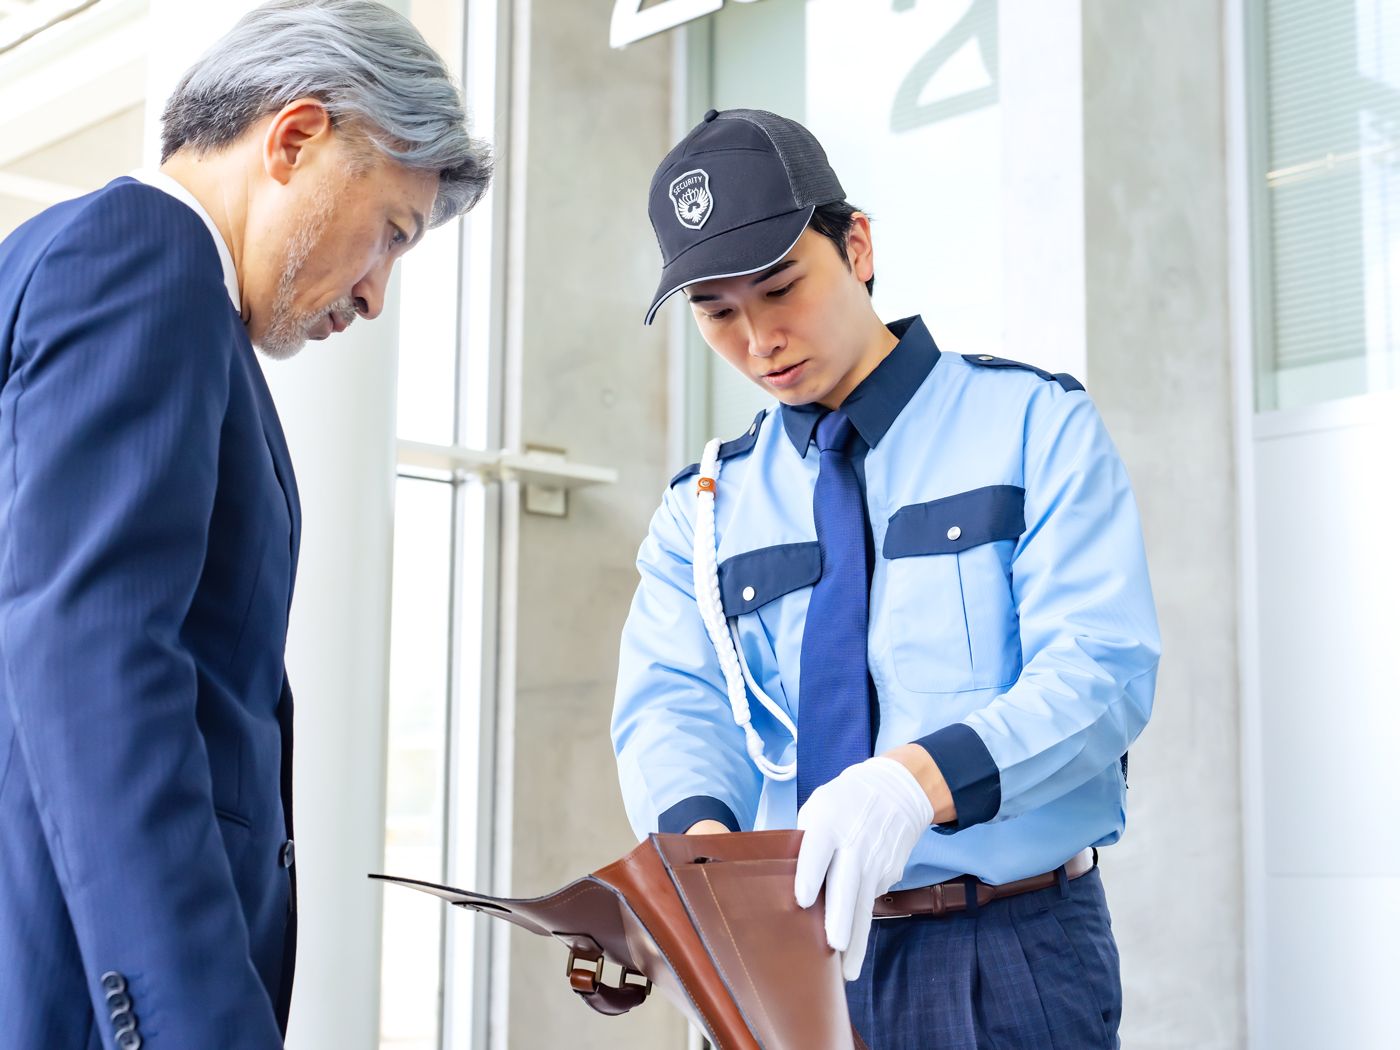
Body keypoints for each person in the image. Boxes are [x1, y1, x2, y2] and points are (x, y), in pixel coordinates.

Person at [612, 108, 1158, 1049]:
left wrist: (917, 783)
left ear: (857, 246)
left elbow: (1100, 669)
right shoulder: (704, 511)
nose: (759, 339)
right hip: (787, 956)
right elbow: (674, 706)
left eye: (780, 287)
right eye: (717, 312)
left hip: (1003, 950)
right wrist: (706, 871)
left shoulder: (1034, 426)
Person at [0, 2, 489, 1047]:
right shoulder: (145, 258)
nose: (374, 295)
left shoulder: (90, 264)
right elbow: (96, 657)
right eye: (390, 234)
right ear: (296, 137)